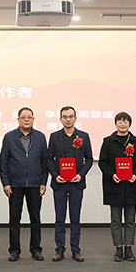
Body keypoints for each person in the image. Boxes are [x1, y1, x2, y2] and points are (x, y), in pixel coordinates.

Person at [0, 107, 48, 262]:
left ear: (33, 119)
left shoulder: (40, 137)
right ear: (18, 120)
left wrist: (43, 182)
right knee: (14, 218)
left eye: (29, 117)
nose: (26, 119)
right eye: (23, 117)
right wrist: (6, 183)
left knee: (35, 218)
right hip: (15, 184)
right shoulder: (9, 137)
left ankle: (36, 249)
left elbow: (45, 162)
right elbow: (3, 162)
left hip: (35, 183)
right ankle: (14, 250)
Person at [46, 106, 93, 262]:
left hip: (76, 183)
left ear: (75, 118)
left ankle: (75, 249)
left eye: (70, 116)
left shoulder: (83, 136)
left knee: (75, 218)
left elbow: (89, 159)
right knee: (60, 218)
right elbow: (49, 159)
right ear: (60, 119)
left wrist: (81, 175)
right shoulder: (54, 137)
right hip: (59, 183)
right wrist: (55, 175)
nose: (68, 119)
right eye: (65, 116)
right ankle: (59, 249)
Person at [98, 112, 136, 262]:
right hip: (114, 186)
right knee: (116, 220)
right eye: (120, 121)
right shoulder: (108, 141)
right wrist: (112, 175)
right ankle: (118, 248)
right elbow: (102, 162)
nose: (123, 124)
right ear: (115, 123)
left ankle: (128, 248)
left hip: (131, 186)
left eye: (125, 122)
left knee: (130, 220)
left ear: (130, 124)